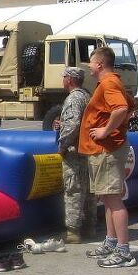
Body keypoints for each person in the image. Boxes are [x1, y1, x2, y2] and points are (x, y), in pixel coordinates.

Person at [79, 47, 136, 268]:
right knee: (107, 198)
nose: (90, 67)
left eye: (91, 63)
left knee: (113, 199)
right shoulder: (110, 83)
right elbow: (131, 104)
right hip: (103, 150)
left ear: (100, 64)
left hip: (108, 150)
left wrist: (106, 131)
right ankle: (111, 242)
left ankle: (124, 252)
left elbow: (121, 108)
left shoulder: (110, 83)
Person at [56, 67, 92, 244]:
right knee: (89, 191)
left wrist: (62, 145)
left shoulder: (73, 98)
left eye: (64, 77)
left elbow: (73, 125)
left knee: (73, 190)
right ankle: (90, 227)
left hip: (75, 152)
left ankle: (73, 232)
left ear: (69, 79)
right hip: (88, 150)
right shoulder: (87, 95)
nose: (62, 80)